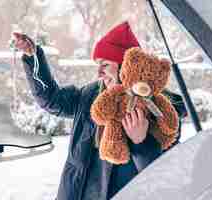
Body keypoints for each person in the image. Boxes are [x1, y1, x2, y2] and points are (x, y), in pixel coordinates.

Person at [14, 21, 186, 200]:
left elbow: (163, 181)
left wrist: (141, 142)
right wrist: (34, 58)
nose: (99, 73)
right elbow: (51, 100)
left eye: (105, 65)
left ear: (125, 64)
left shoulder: (160, 111)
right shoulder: (91, 96)